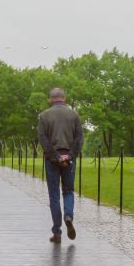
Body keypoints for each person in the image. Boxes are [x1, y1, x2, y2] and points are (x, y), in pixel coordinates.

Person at [37, 87, 83, 243]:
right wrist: (69, 156)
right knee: (68, 191)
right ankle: (68, 216)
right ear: (65, 98)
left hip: (51, 159)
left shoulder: (44, 116)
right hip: (69, 158)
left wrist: (56, 156)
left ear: (51, 99)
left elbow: (43, 139)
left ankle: (57, 232)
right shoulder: (74, 115)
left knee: (54, 195)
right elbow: (79, 138)